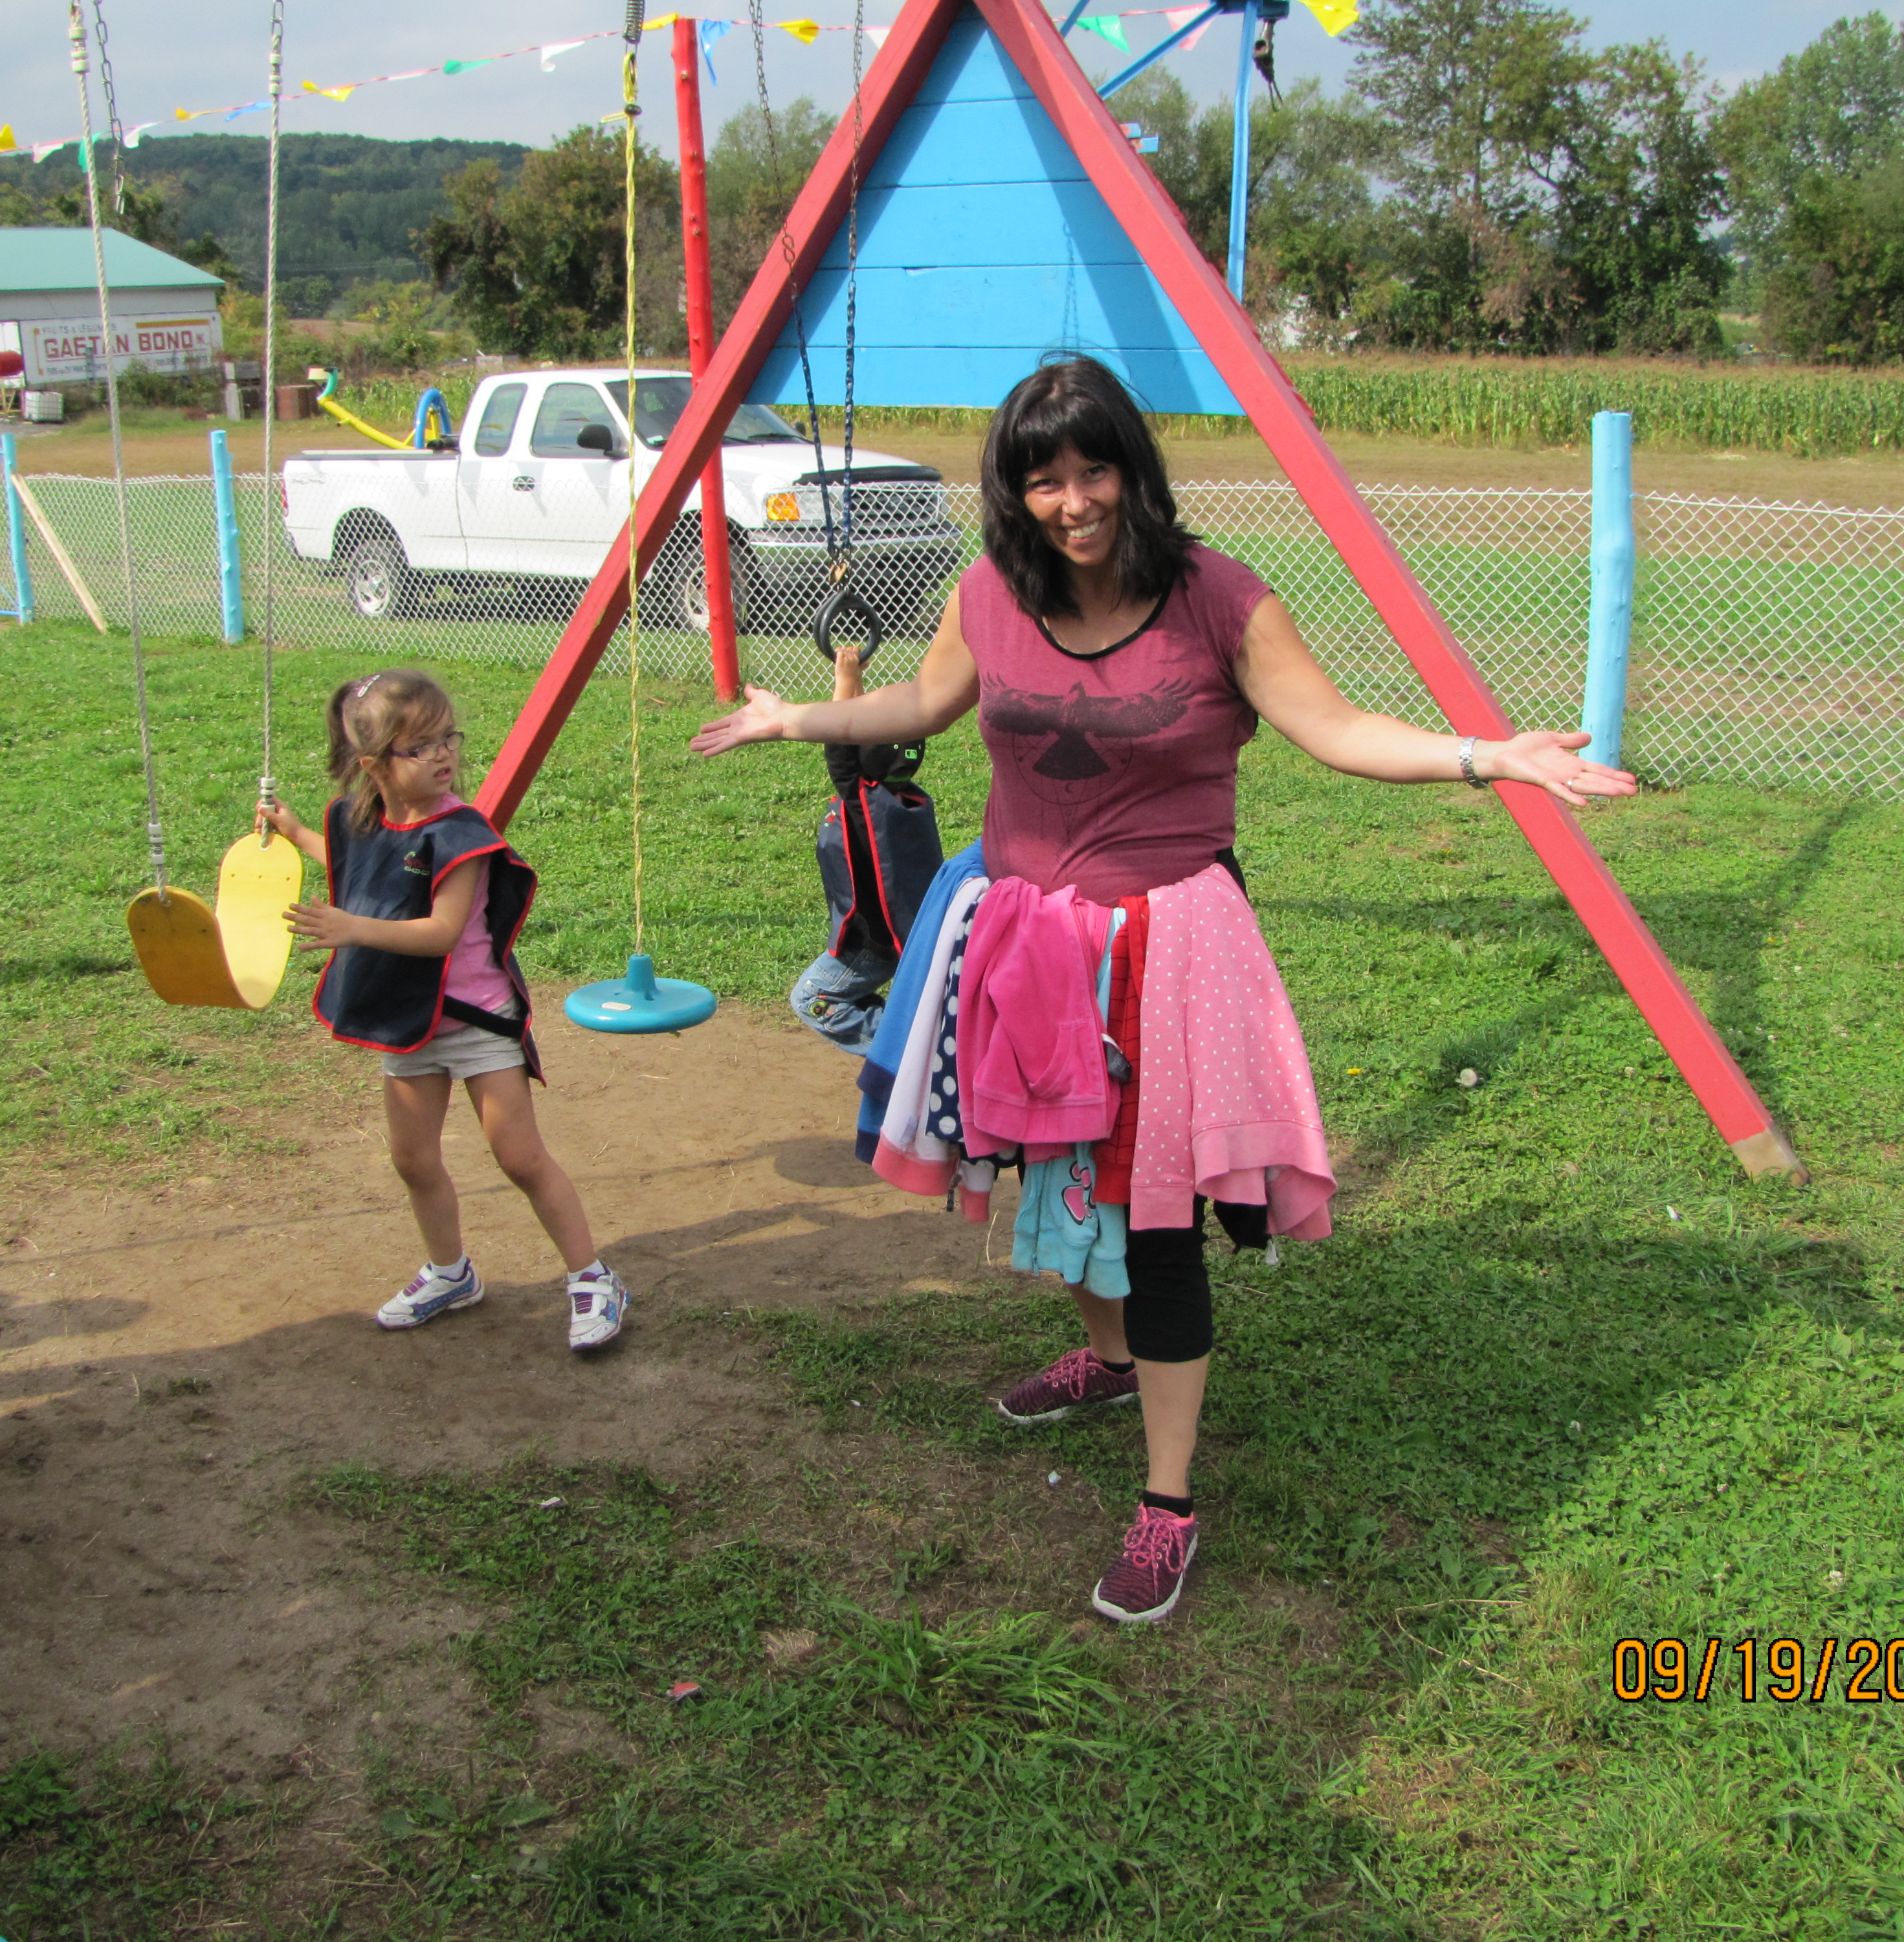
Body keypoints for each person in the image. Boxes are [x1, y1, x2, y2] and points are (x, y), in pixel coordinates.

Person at [693, 357, 1635, 1625]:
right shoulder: (991, 590)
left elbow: (1333, 728)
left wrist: (1487, 757)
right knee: (1053, 1168)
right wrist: (799, 720)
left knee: (1153, 1220)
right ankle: (1110, 1357)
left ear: (1133, 470)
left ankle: (1168, 1502)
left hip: (1164, 950)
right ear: (1014, 491)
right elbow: (928, 698)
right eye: (1044, 479)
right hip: (1025, 937)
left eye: (1095, 470)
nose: (1073, 500)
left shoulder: (1218, 600)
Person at [257, 669, 632, 1351]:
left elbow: (440, 933)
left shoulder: (460, 833)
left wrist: (351, 928)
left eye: (447, 739)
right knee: (412, 1159)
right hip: (409, 1020)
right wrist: (296, 833)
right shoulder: (359, 819)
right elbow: (358, 863)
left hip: (478, 1021)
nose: (442, 755)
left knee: (520, 1158)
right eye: (420, 746)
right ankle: (450, 1272)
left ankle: (592, 1277)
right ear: (374, 766)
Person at [788, 637, 944, 1053]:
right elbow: (857, 740)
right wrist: (856, 681)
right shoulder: (900, 800)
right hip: (895, 936)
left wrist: (844, 680)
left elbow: (840, 740)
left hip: (871, 947)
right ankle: (911, 1035)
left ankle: (910, 1050)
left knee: (813, 1000)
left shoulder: (863, 806)